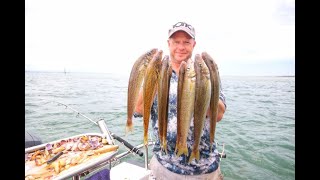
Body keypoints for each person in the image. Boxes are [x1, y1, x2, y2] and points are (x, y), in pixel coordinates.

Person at [134, 21, 227, 180]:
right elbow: (139, 110)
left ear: (194, 44)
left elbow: (218, 115)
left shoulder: (206, 73)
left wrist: (202, 85)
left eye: (186, 42)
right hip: (165, 165)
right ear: (168, 43)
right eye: (176, 42)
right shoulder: (157, 73)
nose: (181, 47)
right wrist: (152, 78)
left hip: (205, 168)